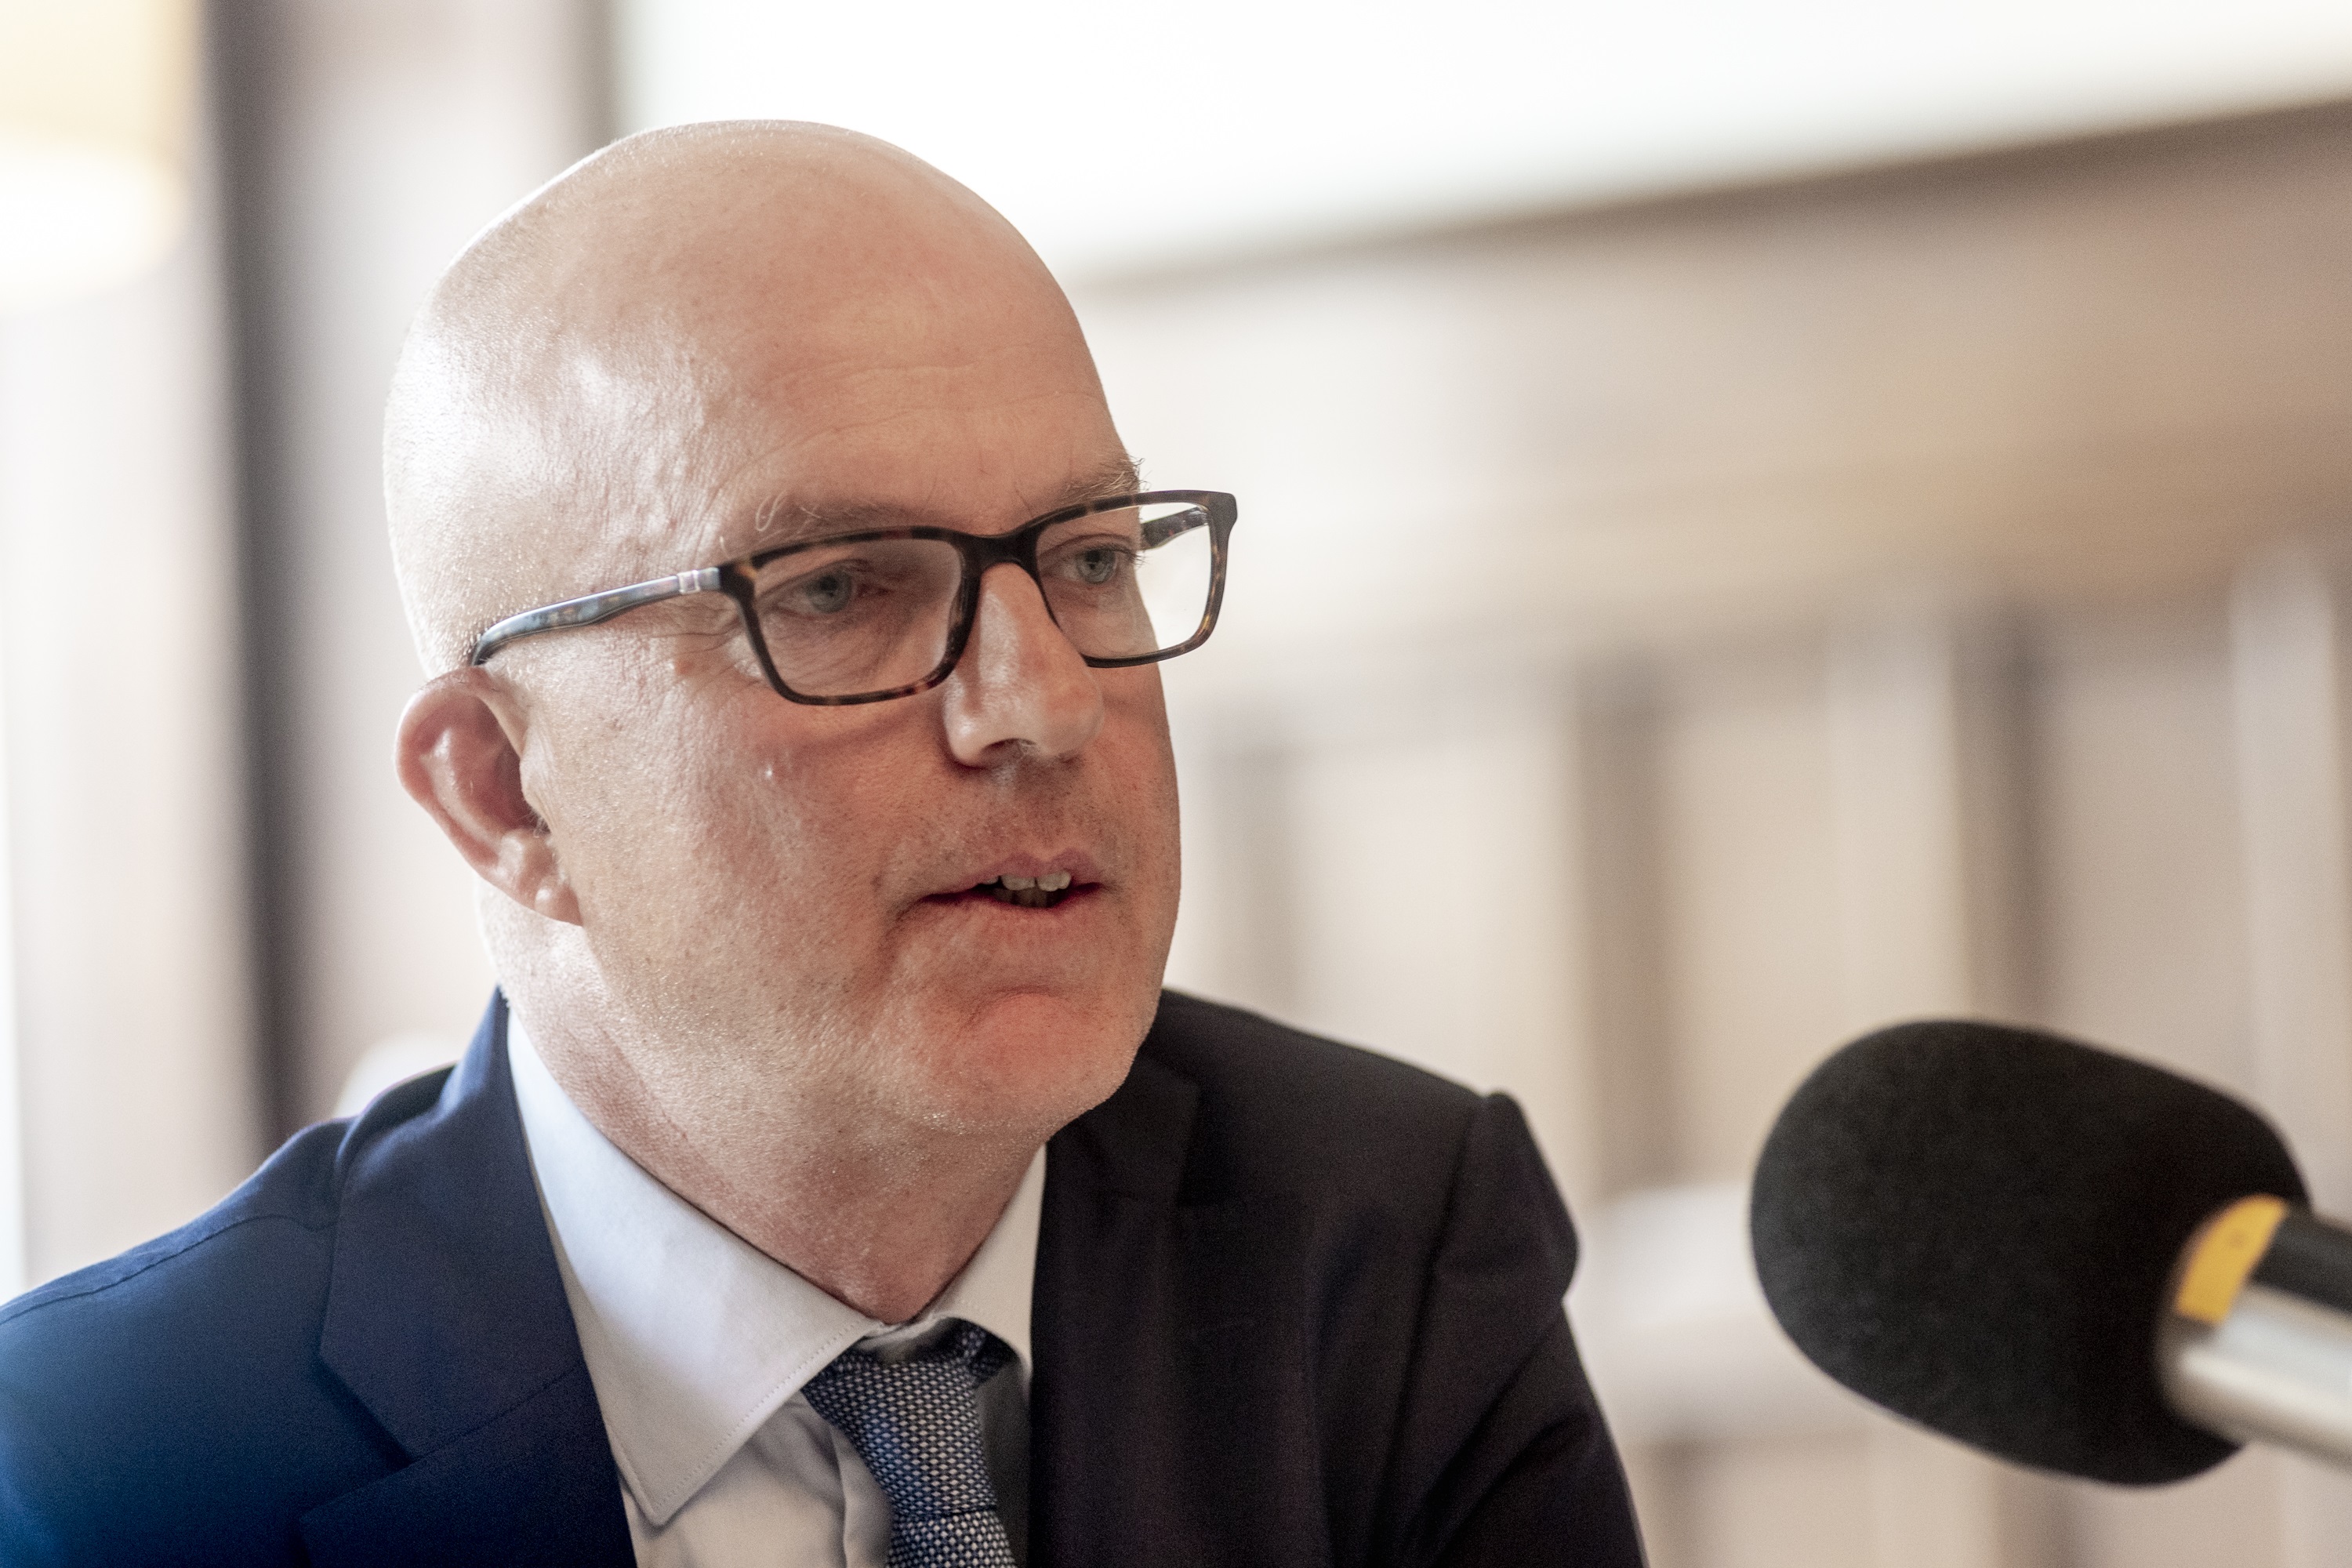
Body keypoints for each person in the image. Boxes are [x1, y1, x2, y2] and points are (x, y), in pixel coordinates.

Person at [0, 122, 1643, 1567]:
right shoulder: (112, 1466)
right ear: (507, 794)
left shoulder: (1389, 1250)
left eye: (1087, 559)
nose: (1042, 704)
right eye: (840, 591)